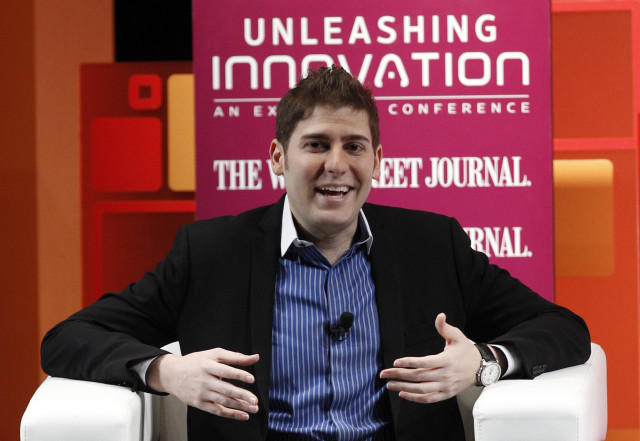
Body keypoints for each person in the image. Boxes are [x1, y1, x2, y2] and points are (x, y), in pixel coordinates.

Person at [41, 66, 590, 441]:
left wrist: (484, 362)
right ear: (278, 157)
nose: (336, 164)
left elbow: (564, 328)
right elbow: (66, 341)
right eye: (316, 145)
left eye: (354, 146)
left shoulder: (432, 245)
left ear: (376, 159)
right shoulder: (211, 252)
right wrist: (164, 372)